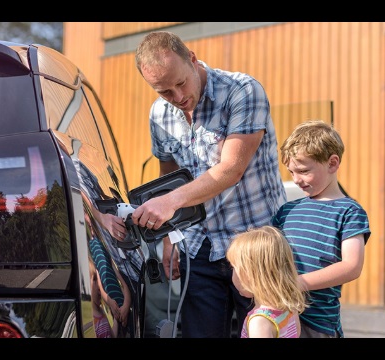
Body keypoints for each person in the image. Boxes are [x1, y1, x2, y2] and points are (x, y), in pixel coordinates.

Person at [131, 31, 287, 338]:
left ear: (192, 58)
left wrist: (170, 202)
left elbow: (230, 169)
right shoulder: (159, 115)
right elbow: (169, 180)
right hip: (199, 246)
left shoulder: (242, 90)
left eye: (181, 83)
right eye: (164, 91)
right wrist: (168, 239)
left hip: (256, 243)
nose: (177, 97)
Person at [272, 119, 371, 338]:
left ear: (332, 163)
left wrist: (296, 284)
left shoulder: (350, 212)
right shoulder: (286, 211)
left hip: (318, 324)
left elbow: (351, 266)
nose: (297, 180)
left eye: (304, 171)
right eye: (291, 172)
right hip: (280, 317)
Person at [226, 226, 307, 338]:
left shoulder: (259, 322)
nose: (232, 273)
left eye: (233, 267)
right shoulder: (289, 305)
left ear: (251, 275)